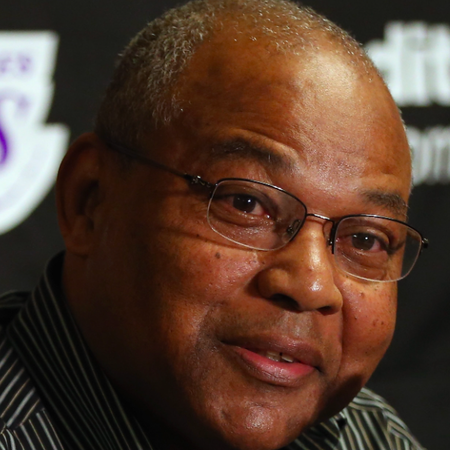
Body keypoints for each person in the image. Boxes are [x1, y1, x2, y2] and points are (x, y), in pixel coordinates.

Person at [0, 0, 429, 449]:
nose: (312, 285)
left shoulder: (368, 436)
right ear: (89, 200)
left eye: (365, 239)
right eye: (246, 204)